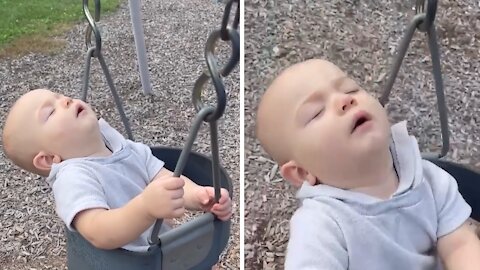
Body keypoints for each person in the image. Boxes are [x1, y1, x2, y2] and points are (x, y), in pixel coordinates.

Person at [255, 59, 480, 270]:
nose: (345, 101)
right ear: (303, 171)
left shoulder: (429, 179)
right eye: (316, 113)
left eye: (350, 89)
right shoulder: (321, 227)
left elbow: (460, 245)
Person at [2, 89, 232, 252]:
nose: (66, 101)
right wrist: (145, 208)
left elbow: (161, 176)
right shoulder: (73, 178)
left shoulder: (119, 145)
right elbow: (98, 231)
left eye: (60, 96)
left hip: (161, 250)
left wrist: (198, 196)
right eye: (50, 113)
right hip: (125, 262)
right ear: (49, 159)